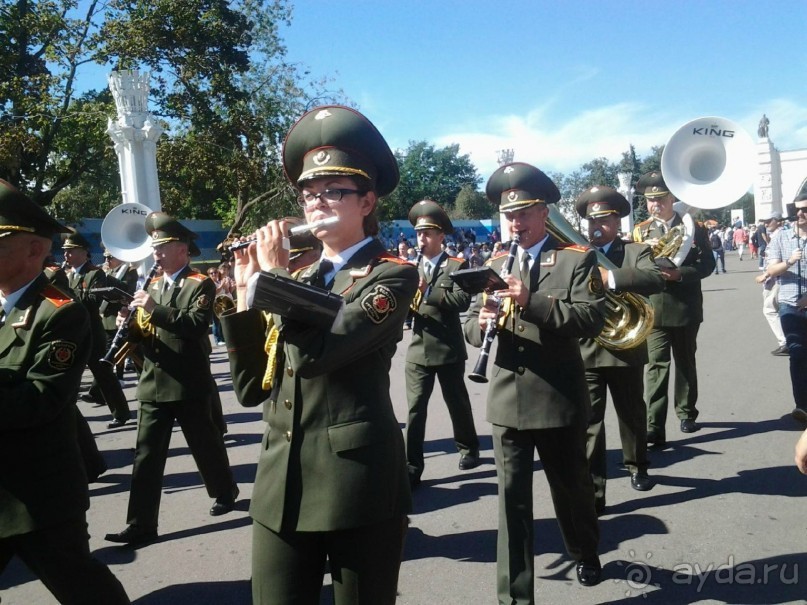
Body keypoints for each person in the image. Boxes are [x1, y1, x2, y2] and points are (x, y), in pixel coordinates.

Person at [220, 105, 418, 604]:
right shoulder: (303, 278)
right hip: (280, 482)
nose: (317, 202)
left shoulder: (389, 275)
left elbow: (317, 355)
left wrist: (274, 279)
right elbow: (250, 388)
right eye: (309, 193)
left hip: (356, 486)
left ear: (367, 201)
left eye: (335, 191)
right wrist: (248, 294)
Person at [463, 162, 606, 601]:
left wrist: (531, 301)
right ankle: (515, 597)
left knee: (571, 489)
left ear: (544, 213)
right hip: (507, 402)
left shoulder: (575, 260)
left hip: (558, 397)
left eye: (524, 213)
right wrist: (481, 319)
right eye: (509, 215)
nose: (515, 223)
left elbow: (589, 318)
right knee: (512, 506)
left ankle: (584, 550)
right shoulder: (491, 262)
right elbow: (469, 325)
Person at [0, 180, 130, 604]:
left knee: (82, 588)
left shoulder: (59, 313)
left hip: (38, 496)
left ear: (34, 250)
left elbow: (40, 400)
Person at [105, 212, 238, 546]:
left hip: (187, 380)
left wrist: (152, 308)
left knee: (204, 444)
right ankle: (140, 524)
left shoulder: (199, 283)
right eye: (155, 248)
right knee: (146, 456)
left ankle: (224, 490)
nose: (157, 255)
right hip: (152, 381)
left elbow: (194, 325)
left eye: (163, 247)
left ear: (182, 248)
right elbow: (143, 330)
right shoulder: (150, 284)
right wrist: (130, 320)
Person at [575, 186, 664, 514]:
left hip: (625, 347)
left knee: (631, 413)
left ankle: (637, 465)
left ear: (616, 220)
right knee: (590, 420)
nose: (595, 225)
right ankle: (594, 488)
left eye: (602, 219)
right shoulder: (577, 253)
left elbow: (655, 279)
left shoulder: (634, 250)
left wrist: (609, 277)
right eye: (591, 220)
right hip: (587, 346)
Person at [632, 171, 715, 445]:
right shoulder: (641, 231)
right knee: (657, 366)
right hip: (654, 308)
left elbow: (707, 265)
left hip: (686, 305)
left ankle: (686, 412)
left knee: (685, 361)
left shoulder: (695, 227)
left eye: (660, 199)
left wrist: (681, 274)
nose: (655, 205)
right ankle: (654, 426)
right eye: (650, 200)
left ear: (672, 198)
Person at [405, 199, 479, 488]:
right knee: (415, 410)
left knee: (457, 404)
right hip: (418, 350)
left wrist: (427, 290)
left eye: (427, 234)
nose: (421, 239)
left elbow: (461, 302)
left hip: (448, 348)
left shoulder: (457, 265)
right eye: (418, 234)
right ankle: (412, 465)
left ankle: (468, 448)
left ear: (440, 236)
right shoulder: (409, 267)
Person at [62, 233, 132, 428]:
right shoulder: (68, 275)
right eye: (65, 252)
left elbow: (93, 301)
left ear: (84, 253)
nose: (66, 255)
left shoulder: (94, 273)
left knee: (103, 374)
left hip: (91, 331)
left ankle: (121, 413)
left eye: (71, 251)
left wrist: (67, 297)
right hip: (73, 332)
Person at [765, 194, 807, 423]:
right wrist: (789, 261)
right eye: (796, 210)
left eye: (805, 210)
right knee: (798, 354)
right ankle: (802, 406)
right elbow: (771, 270)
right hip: (790, 306)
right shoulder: (781, 236)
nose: (800, 214)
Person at [755, 211, 788, 356]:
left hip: (775, 278)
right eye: (765, 221)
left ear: (778, 221)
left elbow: (778, 260)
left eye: (769, 221)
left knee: (770, 310)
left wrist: (766, 274)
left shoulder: (779, 236)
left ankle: (785, 341)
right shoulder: (779, 235)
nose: (766, 224)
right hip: (776, 277)